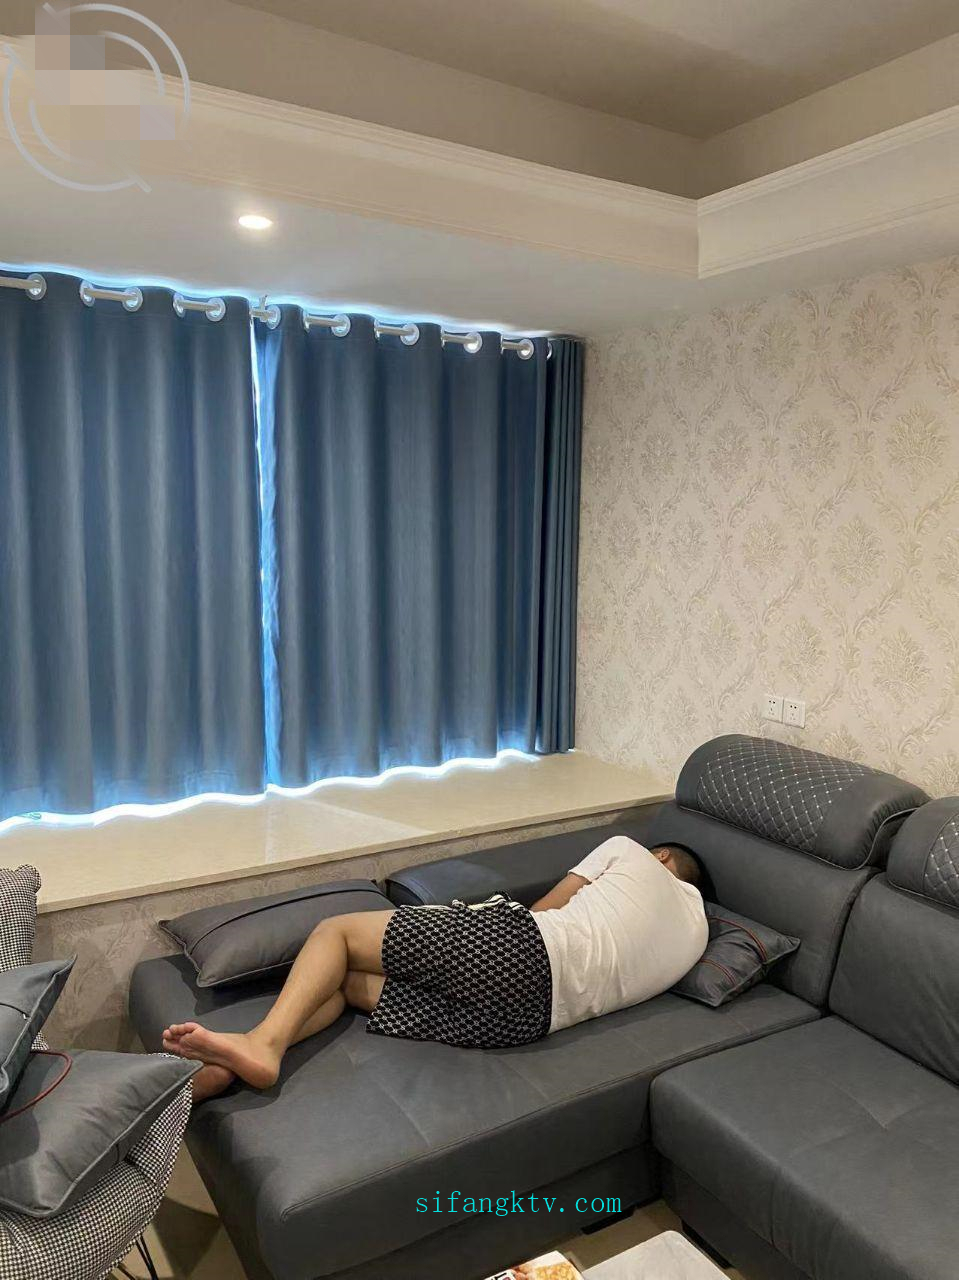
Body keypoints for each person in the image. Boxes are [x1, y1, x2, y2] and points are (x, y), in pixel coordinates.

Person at [164, 836, 708, 1102]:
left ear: (662, 857)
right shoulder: (699, 932)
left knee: (336, 933)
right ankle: (229, 1069)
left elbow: (546, 911)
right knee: (345, 982)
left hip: (521, 951)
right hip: (524, 1023)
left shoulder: (629, 850)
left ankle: (260, 1046)